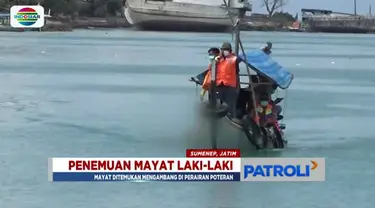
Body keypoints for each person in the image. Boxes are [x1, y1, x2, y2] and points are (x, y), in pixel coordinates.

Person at [215, 42, 240, 118]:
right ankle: (218, 117)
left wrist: (237, 87)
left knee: (230, 106)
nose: (225, 51)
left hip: (230, 86)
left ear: (230, 50)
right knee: (218, 104)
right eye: (223, 49)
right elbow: (211, 71)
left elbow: (237, 74)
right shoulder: (217, 59)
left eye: (227, 49)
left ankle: (231, 118)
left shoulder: (234, 59)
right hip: (219, 85)